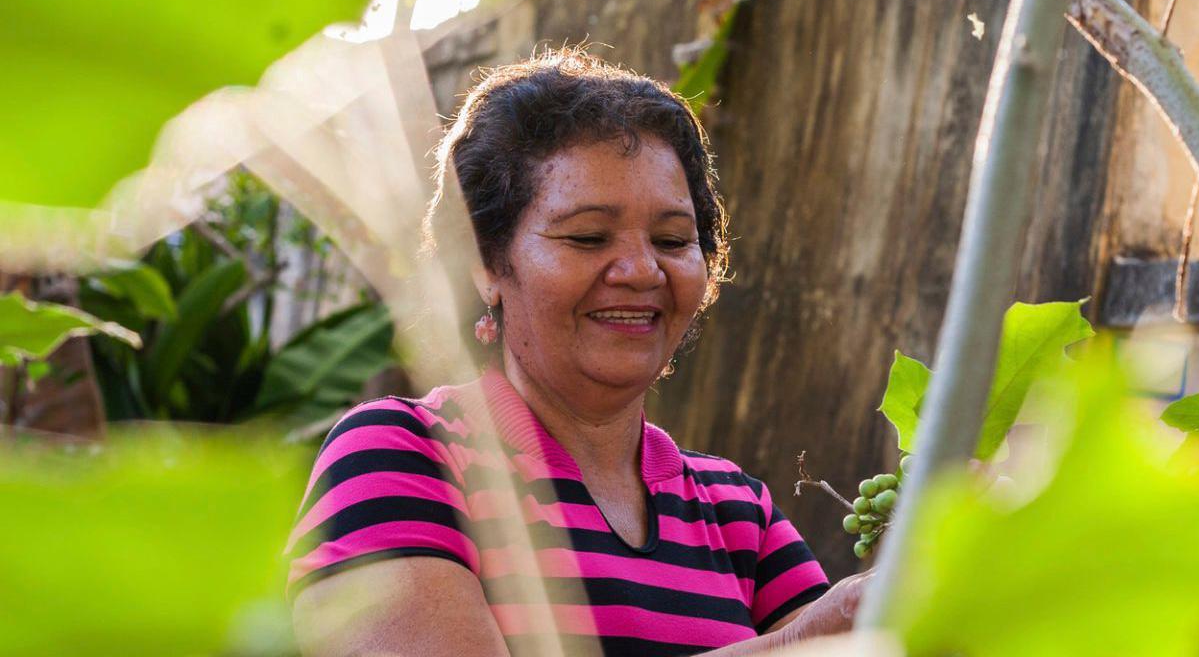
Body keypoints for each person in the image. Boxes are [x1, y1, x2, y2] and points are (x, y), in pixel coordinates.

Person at [287, 48, 872, 656]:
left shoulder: (738, 513)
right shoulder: (402, 458)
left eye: (673, 240)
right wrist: (803, 637)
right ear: (485, 265)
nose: (643, 270)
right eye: (588, 237)